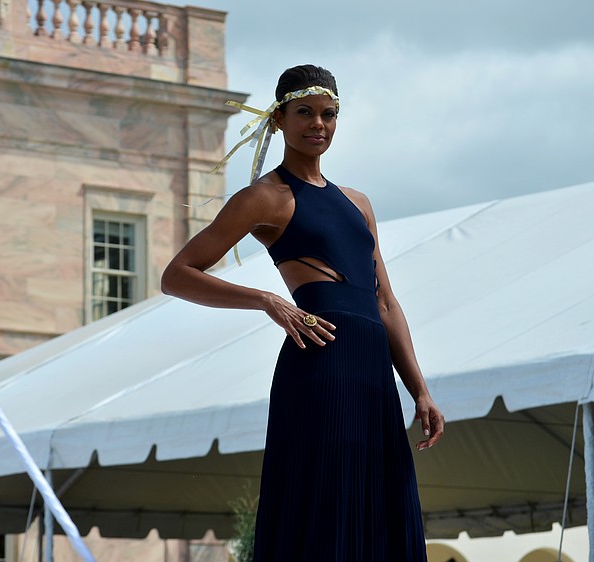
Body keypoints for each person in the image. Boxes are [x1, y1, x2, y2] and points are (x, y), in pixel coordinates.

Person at [161, 64, 444, 561]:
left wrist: (419, 388)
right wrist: (266, 300)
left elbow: (386, 300)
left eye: (329, 114)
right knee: (323, 504)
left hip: (373, 373)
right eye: (305, 113)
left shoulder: (358, 203)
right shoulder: (263, 198)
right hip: (320, 362)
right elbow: (177, 274)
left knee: (380, 509)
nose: (319, 124)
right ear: (278, 120)